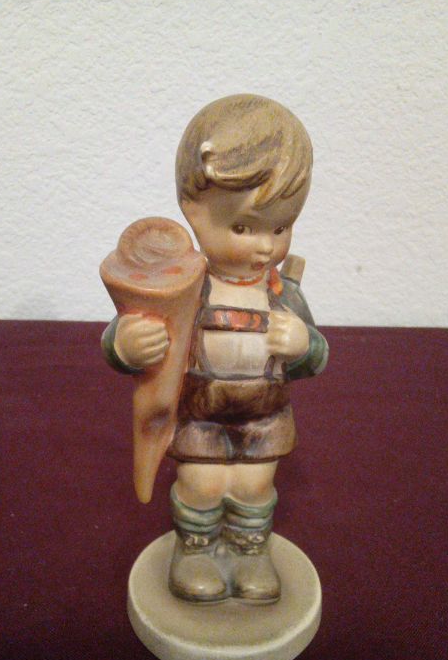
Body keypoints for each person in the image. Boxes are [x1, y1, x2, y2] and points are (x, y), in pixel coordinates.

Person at [102, 94, 328, 604]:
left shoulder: (283, 294)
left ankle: (250, 551)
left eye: (280, 227)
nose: (265, 246)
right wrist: (128, 343)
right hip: (200, 415)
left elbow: (318, 357)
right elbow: (121, 338)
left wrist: (303, 344)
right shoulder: (184, 288)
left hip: (264, 416)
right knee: (202, 485)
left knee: (254, 487)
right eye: (243, 227)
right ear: (193, 212)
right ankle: (197, 550)